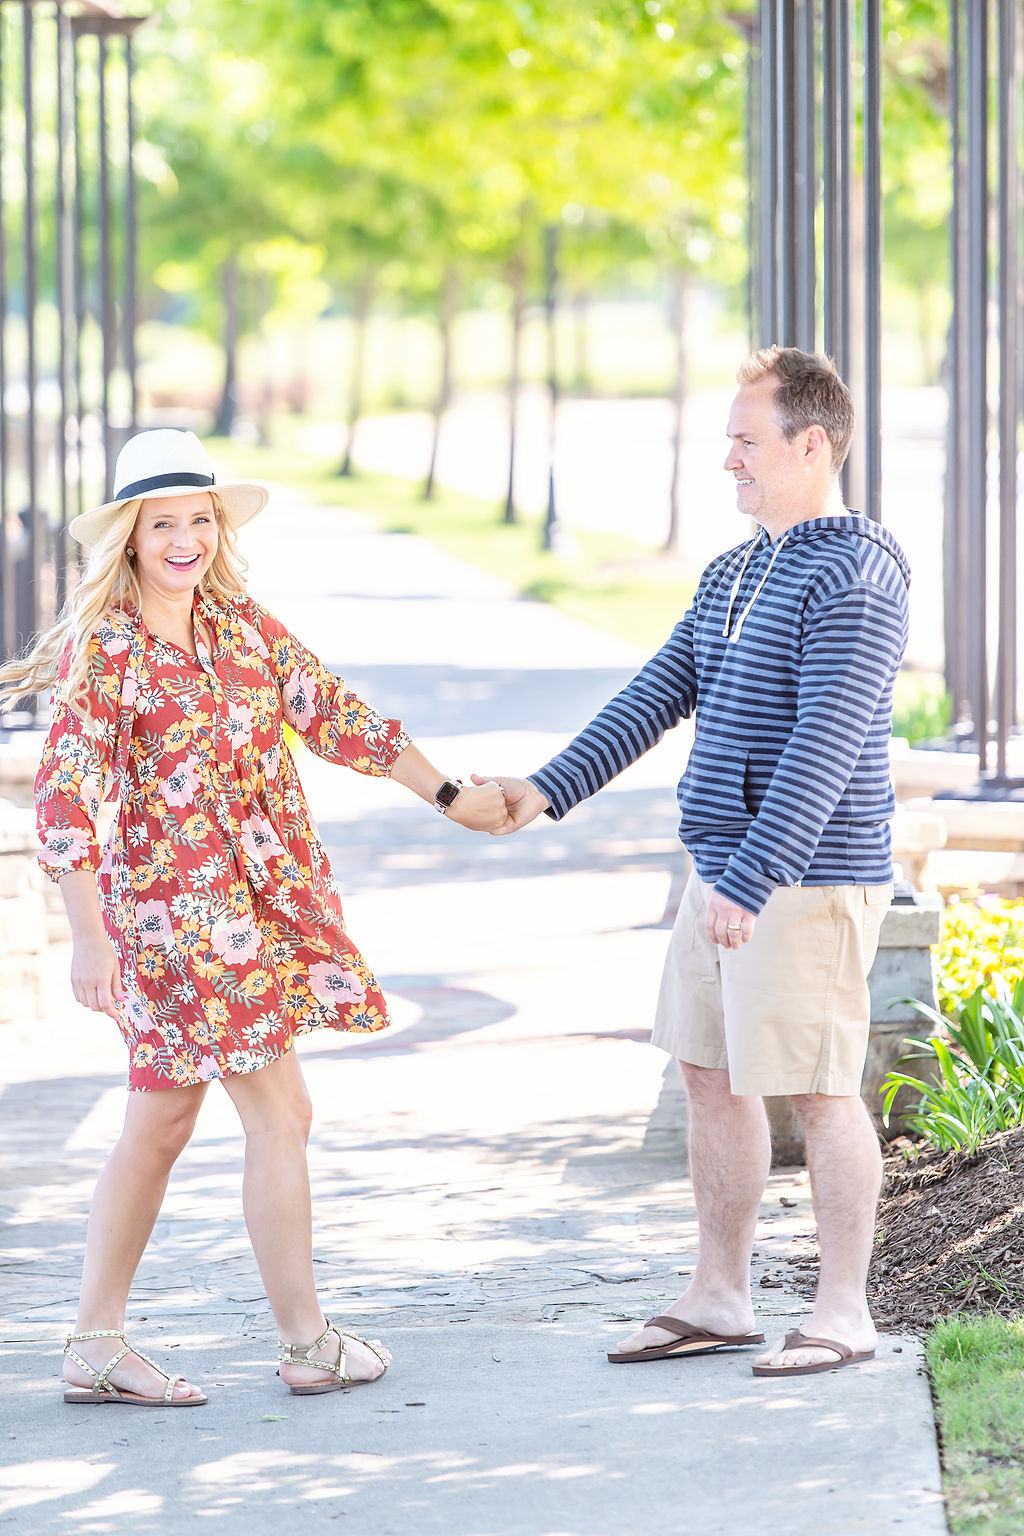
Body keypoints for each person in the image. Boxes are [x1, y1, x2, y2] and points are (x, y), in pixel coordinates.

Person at [0, 428, 509, 1407]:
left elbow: (340, 717)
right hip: (178, 923)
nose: (185, 539)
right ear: (131, 539)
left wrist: (449, 794)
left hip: (254, 907)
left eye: (200, 519)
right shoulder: (109, 652)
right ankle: (305, 1343)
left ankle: (95, 1345)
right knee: (281, 1111)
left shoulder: (241, 629)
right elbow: (64, 798)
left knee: (161, 1121)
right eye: (164, 524)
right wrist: (88, 935)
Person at [476, 346, 910, 1379]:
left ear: (811, 444)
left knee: (815, 1088)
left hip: (799, 880)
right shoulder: (735, 572)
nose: (728, 461)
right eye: (727, 441)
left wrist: (753, 878)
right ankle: (720, 1296)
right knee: (708, 1076)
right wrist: (544, 788)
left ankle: (842, 1310)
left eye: (745, 441)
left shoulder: (857, 570)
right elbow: (655, 693)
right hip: (722, 872)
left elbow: (827, 738)